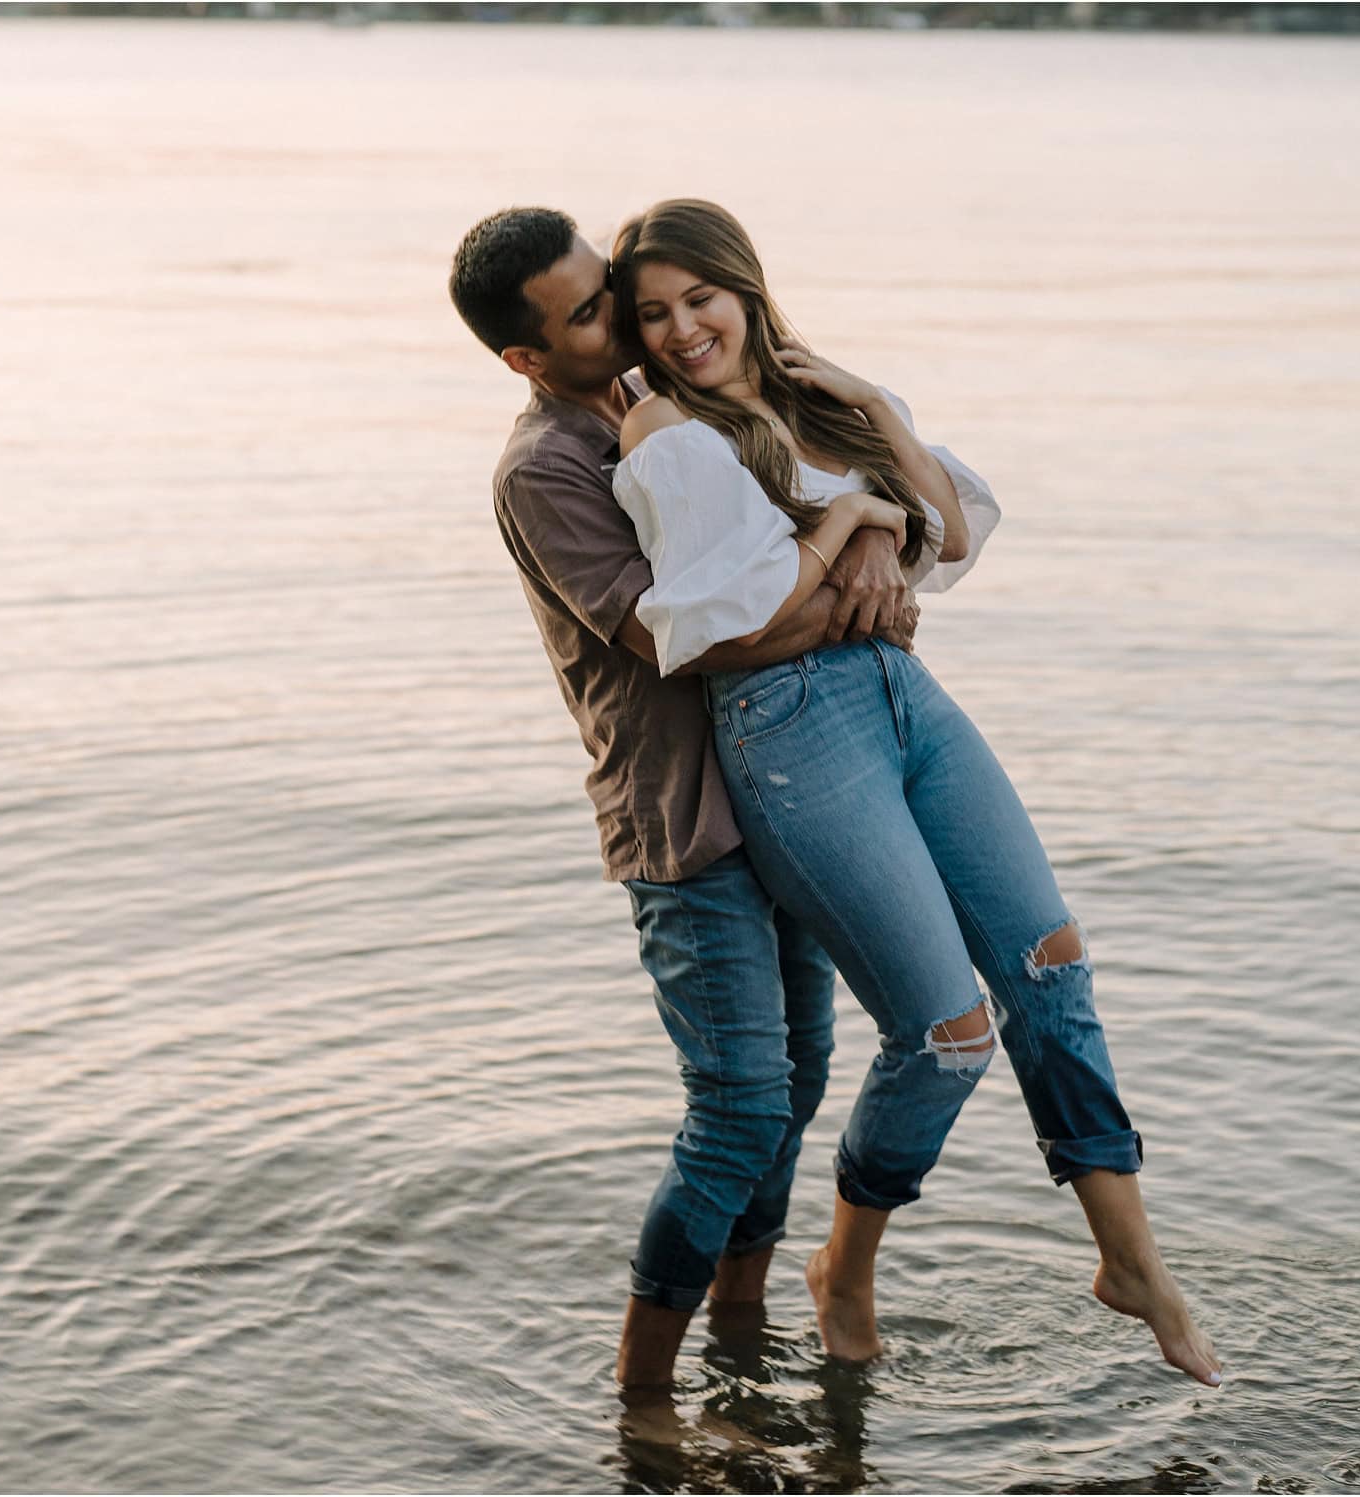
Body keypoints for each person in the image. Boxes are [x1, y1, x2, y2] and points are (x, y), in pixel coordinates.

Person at [605, 197, 1223, 1388]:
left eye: (701, 299)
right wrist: (852, 522)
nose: (683, 331)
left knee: (1049, 965)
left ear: (746, 289)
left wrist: (879, 429)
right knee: (945, 1040)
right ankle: (843, 1268)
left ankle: (1129, 1262)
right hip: (787, 730)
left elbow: (953, 534)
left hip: (905, 697)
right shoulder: (662, 435)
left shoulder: (823, 400)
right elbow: (716, 623)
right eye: (653, 315)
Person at [448, 206, 926, 1405]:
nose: (625, 320)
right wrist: (852, 545)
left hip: (781, 793)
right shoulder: (545, 468)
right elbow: (697, 643)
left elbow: (813, 520)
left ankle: (743, 1328)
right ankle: (644, 1404)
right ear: (524, 356)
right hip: (684, 824)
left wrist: (871, 535)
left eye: (610, 290)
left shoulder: (664, 405)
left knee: (802, 1075)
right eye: (593, 313)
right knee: (735, 1109)